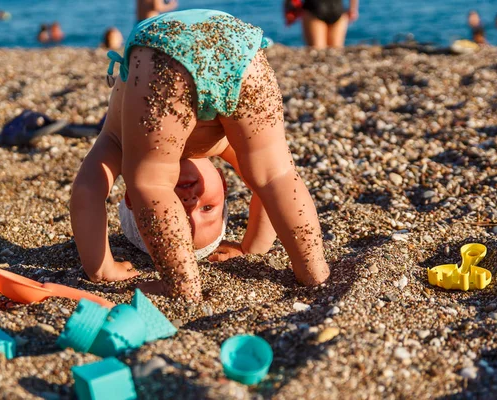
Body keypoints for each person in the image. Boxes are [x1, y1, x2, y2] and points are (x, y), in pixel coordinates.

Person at [70, 9, 330, 301]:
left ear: (130, 200)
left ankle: (180, 285)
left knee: (151, 183)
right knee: (276, 172)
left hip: (167, 50)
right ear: (223, 182)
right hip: (236, 44)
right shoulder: (221, 143)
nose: (191, 202)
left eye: (177, 210)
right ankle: (314, 271)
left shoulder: (118, 141)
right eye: (207, 208)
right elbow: (268, 184)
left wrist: (101, 267)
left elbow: (86, 191)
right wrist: (252, 247)